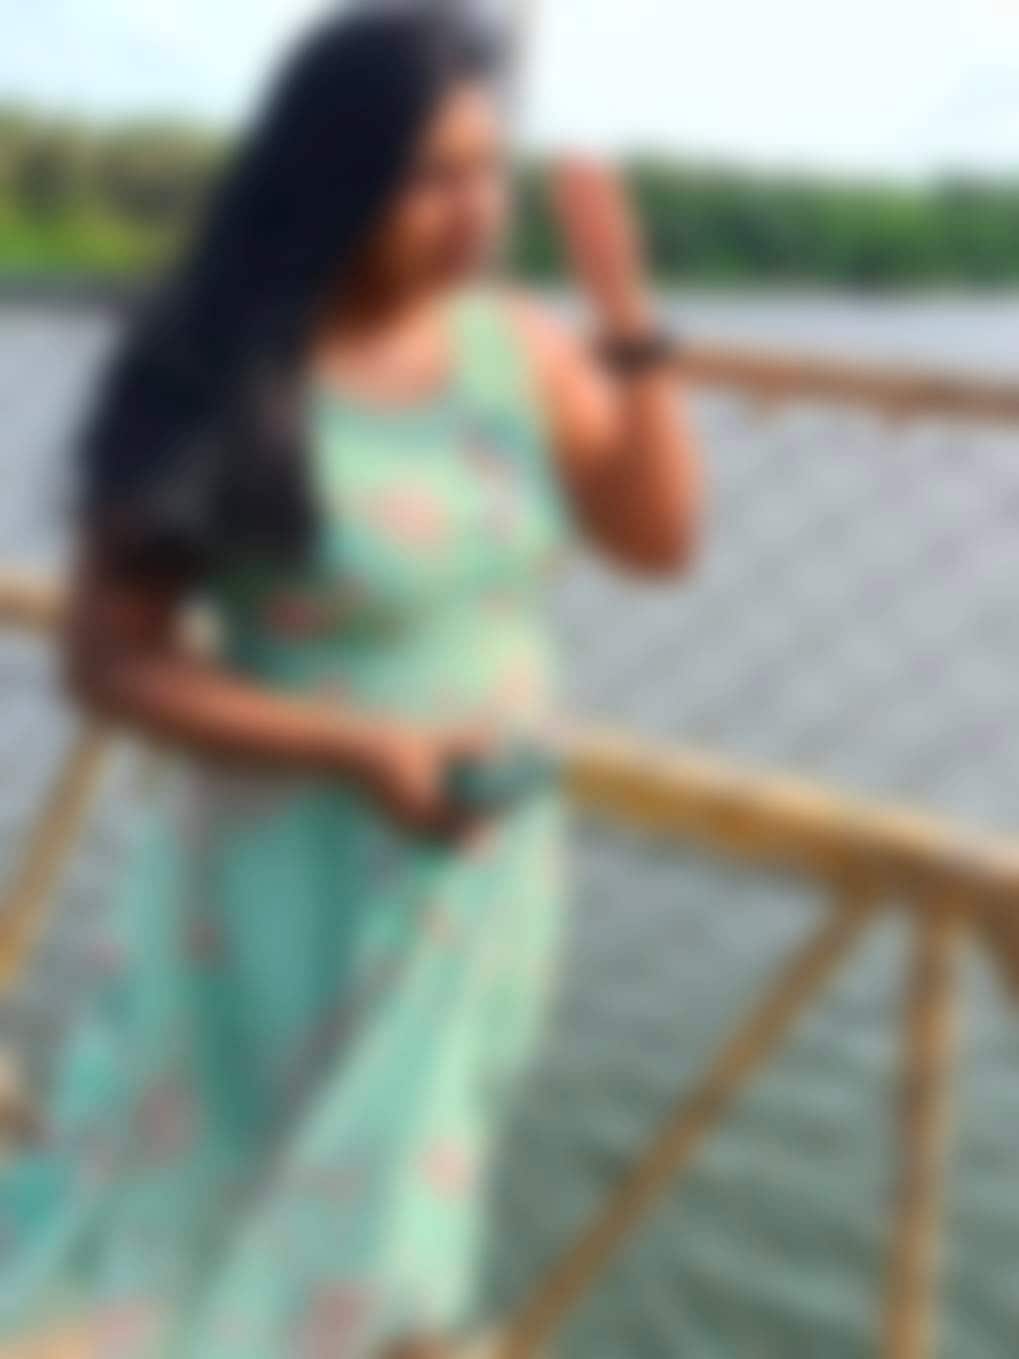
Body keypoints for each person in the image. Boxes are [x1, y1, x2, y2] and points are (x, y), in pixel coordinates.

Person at [0, 6, 700, 1356]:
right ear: (333, 172)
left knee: (404, 1183)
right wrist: (360, 750)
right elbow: (108, 660)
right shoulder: (217, 362)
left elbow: (658, 543)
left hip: (477, 863)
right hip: (288, 857)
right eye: (431, 176)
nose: (475, 211)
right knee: (223, 1179)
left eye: (489, 172)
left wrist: (630, 321)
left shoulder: (516, 345)